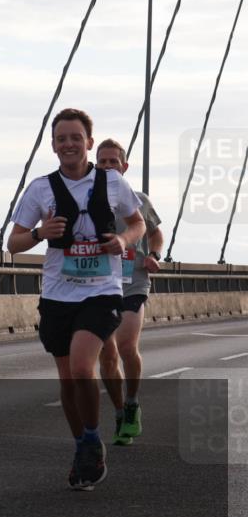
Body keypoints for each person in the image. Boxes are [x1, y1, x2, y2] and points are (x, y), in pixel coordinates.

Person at [8, 108, 145, 490]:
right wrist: (39, 233)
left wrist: (122, 241)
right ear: (53, 146)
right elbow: (13, 243)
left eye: (75, 137)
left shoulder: (113, 183)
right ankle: (85, 443)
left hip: (102, 291)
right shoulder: (40, 188)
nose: (68, 144)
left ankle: (90, 437)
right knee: (68, 380)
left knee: (84, 367)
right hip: (56, 294)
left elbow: (138, 224)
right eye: (61, 138)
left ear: (88, 141)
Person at [95, 138, 163, 445]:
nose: (108, 166)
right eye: (102, 162)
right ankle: (120, 411)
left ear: (124, 167)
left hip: (134, 283)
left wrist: (155, 255)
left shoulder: (139, 200)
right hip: (98, 285)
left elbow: (155, 232)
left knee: (125, 346)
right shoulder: (88, 199)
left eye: (113, 161)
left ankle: (133, 401)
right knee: (108, 357)